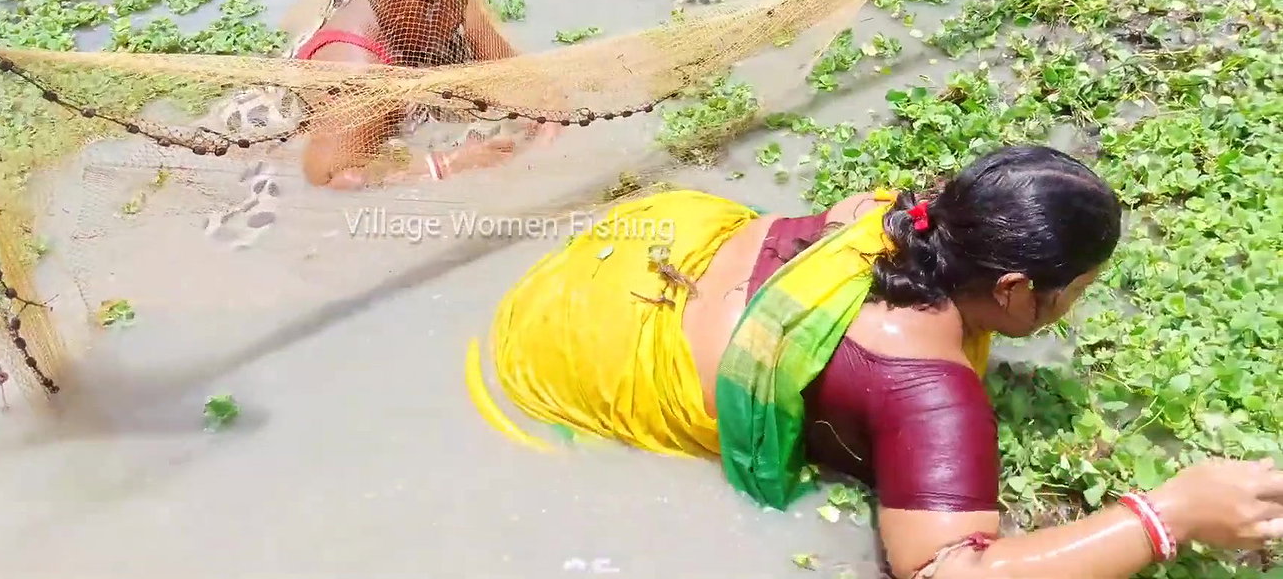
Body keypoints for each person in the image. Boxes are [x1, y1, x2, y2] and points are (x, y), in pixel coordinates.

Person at [479, 145, 1283, 578]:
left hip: (640, 252)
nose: (1073, 308)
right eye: (1073, 292)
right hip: (580, 360)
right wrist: (1167, 515)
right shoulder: (927, 392)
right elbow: (946, 572)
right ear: (1012, 291)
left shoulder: (893, 218)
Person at [294, 0, 555, 189]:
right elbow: (332, 179)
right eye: (427, 1)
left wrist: (545, 121)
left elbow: (518, 80)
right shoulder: (357, 73)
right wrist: (447, 164)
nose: (450, 14)